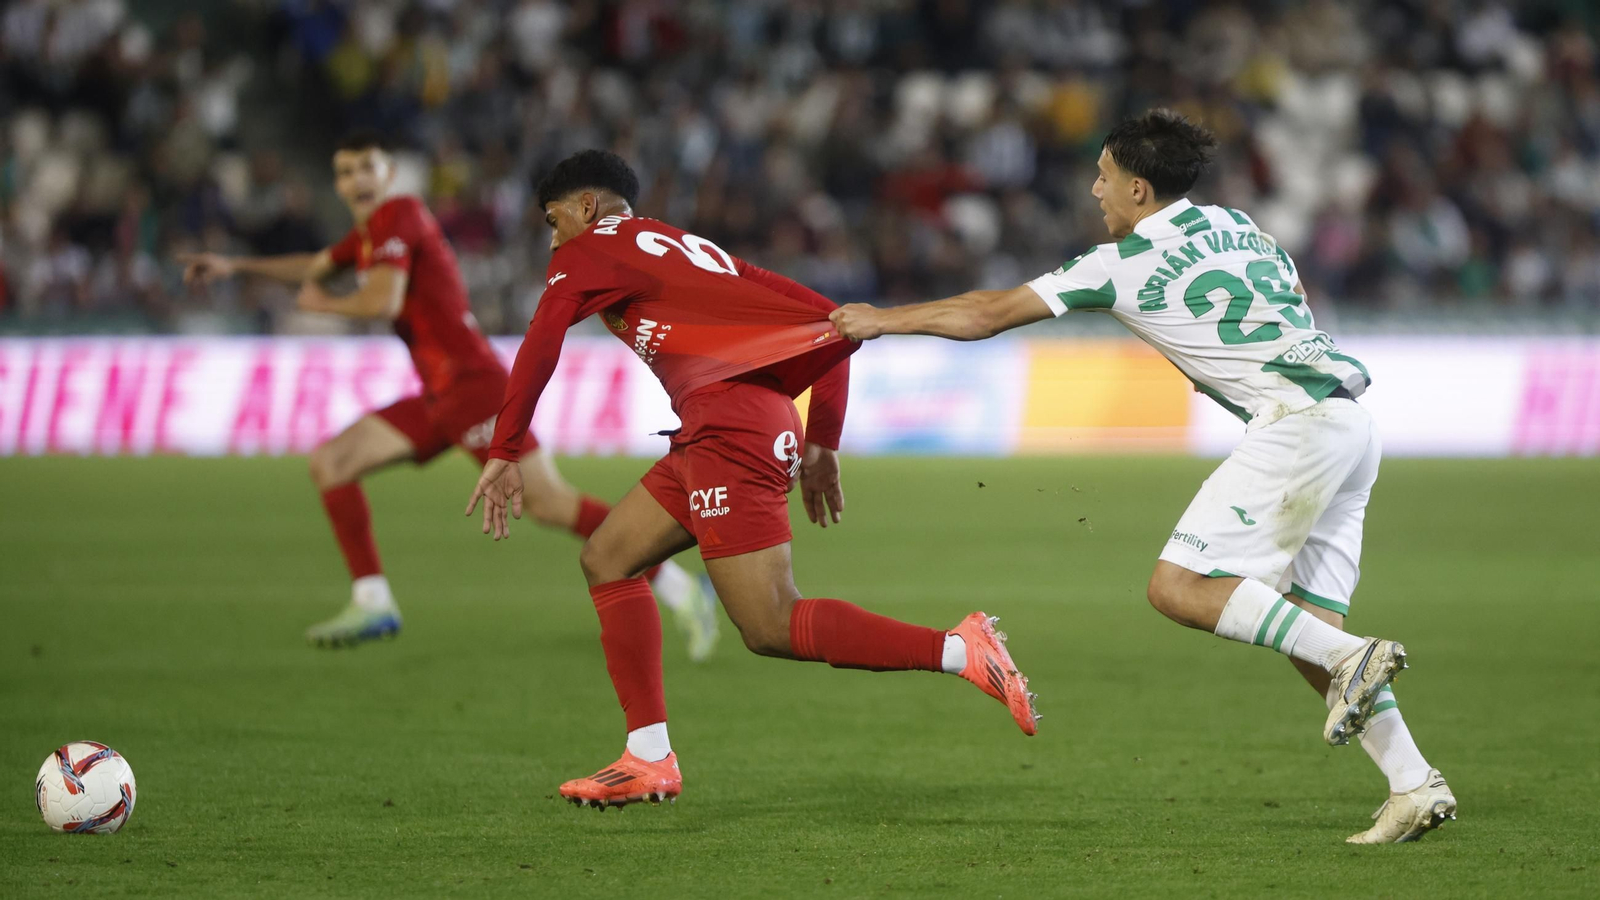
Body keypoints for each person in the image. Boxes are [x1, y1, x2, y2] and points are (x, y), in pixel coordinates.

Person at [829, 110, 1455, 845]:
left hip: (1293, 424)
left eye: (1104, 176)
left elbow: (987, 313)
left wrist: (882, 319)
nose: (1094, 189)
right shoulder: (1239, 224)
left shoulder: (1117, 263)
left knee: (1179, 586)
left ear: (1139, 188)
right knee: (1307, 633)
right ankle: (1414, 784)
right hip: (1350, 424)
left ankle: (1357, 659)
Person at [465, 149, 1040, 809]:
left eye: (553, 219)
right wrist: (821, 443)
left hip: (729, 427)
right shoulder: (680, 247)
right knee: (609, 558)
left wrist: (505, 448)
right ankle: (648, 757)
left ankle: (959, 649)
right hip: (720, 424)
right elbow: (833, 320)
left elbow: (541, 340)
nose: (552, 238)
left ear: (586, 207)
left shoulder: (590, 247)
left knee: (769, 623)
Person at [180, 131, 717, 658]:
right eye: (345, 171)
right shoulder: (371, 236)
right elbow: (318, 264)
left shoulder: (402, 215)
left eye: (368, 166)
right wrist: (237, 266)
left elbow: (384, 299)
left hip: (474, 387)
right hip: (440, 395)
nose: (356, 179)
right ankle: (373, 600)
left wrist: (324, 307)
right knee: (332, 462)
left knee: (552, 504)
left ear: (388, 175)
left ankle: (680, 587)